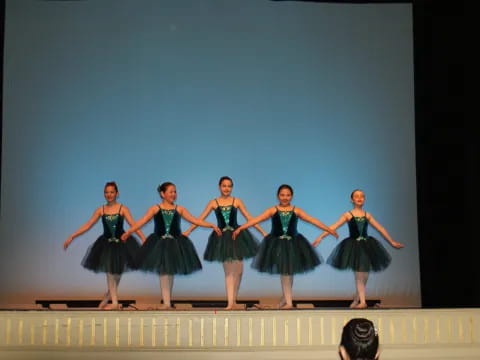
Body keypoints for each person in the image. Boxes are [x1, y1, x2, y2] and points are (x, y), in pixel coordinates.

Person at [232, 184, 338, 309]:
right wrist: (241, 228)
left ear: (291, 196)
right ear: (278, 196)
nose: (285, 197)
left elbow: (312, 220)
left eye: (288, 195)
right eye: (282, 195)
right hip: (277, 244)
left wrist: (329, 229)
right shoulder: (273, 210)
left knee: (289, 272)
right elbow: (256, 220)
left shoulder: (296, 210)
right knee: (285, 273)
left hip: (294, 243)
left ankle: (285, 299)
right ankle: (288, 302)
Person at [120, 182, 221, 309]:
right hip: (159, 242)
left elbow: (195, 220)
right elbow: (142, 221)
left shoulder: (179, 209)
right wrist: (129, 231)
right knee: (164, 271)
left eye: (175, 191)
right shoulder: (155, 208)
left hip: (175, 243)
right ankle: (166, 302)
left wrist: (211, 225)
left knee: (170, 271)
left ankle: (167, 301)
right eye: (171, 192)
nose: (173, 194)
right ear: (162, 194)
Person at [183, 176, 267, 310]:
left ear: (232, 187)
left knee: (239, 271)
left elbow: (249, 217)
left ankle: (234, 300)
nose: (226, 188)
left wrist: (262, 232)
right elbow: (200, 218)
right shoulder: (213, 203)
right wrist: (188, 231)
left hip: (237, 236)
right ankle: (229, 303)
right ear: (219, 186)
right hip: (222, 238)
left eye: (229, 186)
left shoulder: (236, 201)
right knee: (228, 271)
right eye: (224, 185)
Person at [313, 189, 404, 309]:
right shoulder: (348, 214)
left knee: (364, 276)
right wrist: (320, 237)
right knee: (359, 274)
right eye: (356, 196)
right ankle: (363, 302)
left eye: (362, 196)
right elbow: (333, 226)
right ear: (352, 199)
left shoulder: (367, 215)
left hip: (367, 246)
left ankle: (356, 299)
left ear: (364, 199)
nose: (359, 198)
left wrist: (391, 241)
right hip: (354, 246)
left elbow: (380, 228)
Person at [63, 181, 145, 310]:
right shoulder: (100, 210)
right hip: (106, 244)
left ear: (117, 193)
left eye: (112, 192)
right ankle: (114, 302)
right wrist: (73, 235)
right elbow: (88, 224)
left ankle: (108, 297)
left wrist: (143, 238)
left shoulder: (122, 208)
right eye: (106, 192)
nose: (109, 194)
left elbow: (133, 225)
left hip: (122, 243)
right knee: (109, 272)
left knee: (117, 273)